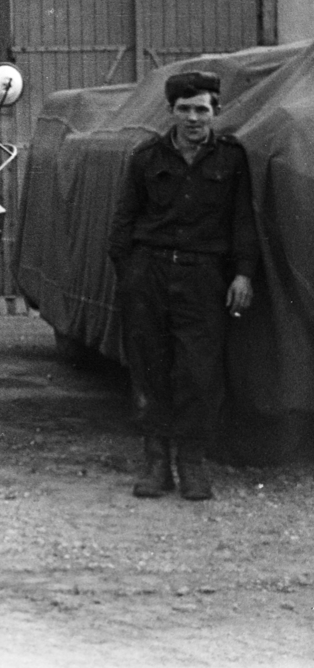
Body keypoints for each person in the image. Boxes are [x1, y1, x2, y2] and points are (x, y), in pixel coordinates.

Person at [107, 70, 259, 501]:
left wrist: (243, 274)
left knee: (198, 371)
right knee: (151, 368)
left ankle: (191, 463)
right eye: (184, 109)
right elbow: (124, 221)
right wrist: (130, 275)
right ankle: (157, 463)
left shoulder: (231, 158)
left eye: (202, 110)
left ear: (216, 111)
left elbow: (242, 221)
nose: (193, 118)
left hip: (204, 278)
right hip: (149, 274)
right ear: (171, 111)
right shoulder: (146, 158)